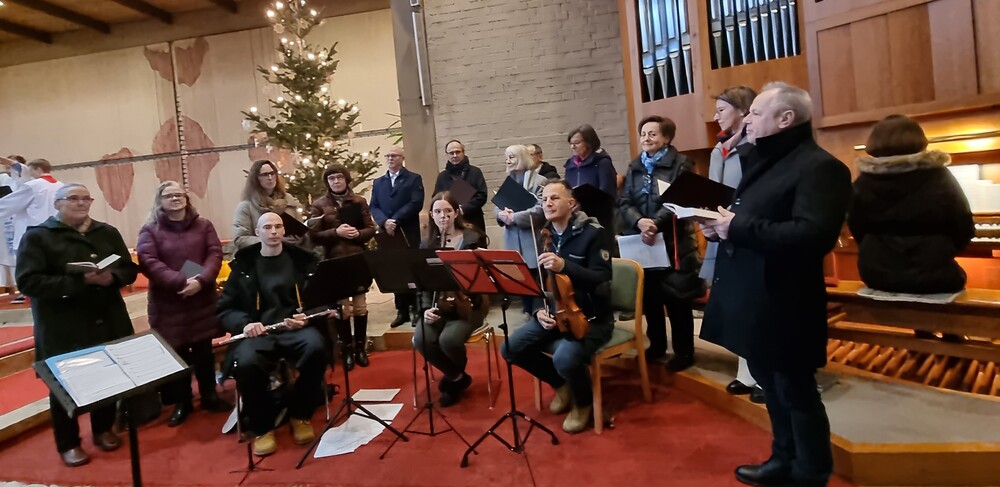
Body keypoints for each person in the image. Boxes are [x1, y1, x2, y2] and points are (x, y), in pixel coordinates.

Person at [698, 82, 852, 487]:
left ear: (786, 119)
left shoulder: (821, 168)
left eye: (755, 113)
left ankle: (810, 473)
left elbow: (812, 236)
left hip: (787, 301)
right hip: (754, 298)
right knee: (770, 387)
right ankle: (783, 458)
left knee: (796, 393)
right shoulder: (762, 160)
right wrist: (719, 229)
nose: (747, 120)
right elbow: (750, 221)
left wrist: (736, 227)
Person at [16, 183, 137, 467]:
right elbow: (29, 282)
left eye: (86, 199)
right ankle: (68, 442)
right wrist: (80, 281)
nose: (81, 203)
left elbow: (128, 269)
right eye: (73, 198)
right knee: (65, 385)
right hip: (63, 323)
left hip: (107, 317)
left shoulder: (107, 232)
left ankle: (103, 429)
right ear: (57, 203)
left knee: (108, 376)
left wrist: (113, 278)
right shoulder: (38, 237)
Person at [502, 180, 613, 434]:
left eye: (554, 198)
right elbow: (542, 284)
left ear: (571, 204)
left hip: (590, 319)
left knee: (564, 357)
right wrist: (539, 309)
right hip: (556, 315)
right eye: (544, 199)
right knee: (510, 348)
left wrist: (565, 266)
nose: (548, 203)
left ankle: (584, 403)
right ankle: (561, 384)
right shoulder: (545, 235)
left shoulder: (593, 233)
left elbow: (602, 278)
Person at [217, 212, 329, 457]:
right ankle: (262, 427)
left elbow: (320, 300)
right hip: (258, 333)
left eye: (278, 226)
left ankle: (300, 413)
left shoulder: (302, 261)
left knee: (317, 348)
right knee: (246, 363)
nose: (274, 231)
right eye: (267, 227)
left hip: (295, 330)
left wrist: (307, 316)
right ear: (258, 233)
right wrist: (245, 324)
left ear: (284, 231)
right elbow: (225, 308)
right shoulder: (244, 266)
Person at [137, 181, 229, 427]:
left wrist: (201, 280)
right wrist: (179, 282)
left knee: (203, 351)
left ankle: (209, 396)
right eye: (169, 195)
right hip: (169, 302)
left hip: (201, 298)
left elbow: (214, 253)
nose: (175, 198)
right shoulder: (150, 230)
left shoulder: (204, 225)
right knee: (176, 354)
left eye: (179, 194)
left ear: (187, 199)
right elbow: (148, 261)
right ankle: (183, 402)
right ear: (160, 200)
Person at [849, 114, 975, 295]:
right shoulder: (939, 177)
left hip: (877, 276)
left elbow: (857, 227)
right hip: (935, 276)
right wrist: (939, 250)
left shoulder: (862, 183)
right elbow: (963, 225)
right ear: (919, 141)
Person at [619, 115, 703, 373]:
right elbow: (624, 202)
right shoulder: (635, 166)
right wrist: (639, 222)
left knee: (677, 300)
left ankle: (684, 352)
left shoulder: (681, 164)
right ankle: (656, 346)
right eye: (643, 133)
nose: (646, 138)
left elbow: (680, 199)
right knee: (650, 299)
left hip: (672, 242)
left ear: (666, 138)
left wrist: (654, 223)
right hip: (642, 242)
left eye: (652, 134)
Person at [701, 86, 763, 399]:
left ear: (742, 110)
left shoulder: (757, 146)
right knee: (737, 306)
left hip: (751, 233)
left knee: (756, 307)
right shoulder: (721, 148)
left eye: (722, 110)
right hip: (724, 233)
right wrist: (704, 218)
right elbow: (715, 193)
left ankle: (763, 375)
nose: (716, 117)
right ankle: (746, 373)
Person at [416, 192, 489, 407]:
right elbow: (422, 285)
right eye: (438, 211)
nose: (443, 216)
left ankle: (453, 377)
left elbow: (482, 281)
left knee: (448, 340)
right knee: (421, 338)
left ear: (456, 213)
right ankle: (457, 377)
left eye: (448, 211)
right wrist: (425, 309)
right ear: (431, 215)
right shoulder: (426, 244)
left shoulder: (472, 239)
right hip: (438, 304)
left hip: (467, 305)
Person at [308, 165, 376, 370]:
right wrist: (336, 233)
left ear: (346, 179)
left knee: (360, 306)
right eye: (331, 179)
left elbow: (371, 228)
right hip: (335, 261)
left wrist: (359, 234)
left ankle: (360, 348)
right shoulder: (319, 205)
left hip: (357, 258)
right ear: (327, 182)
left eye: (339, 177)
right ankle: (347, 349)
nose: (336, 181)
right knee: (342, 309)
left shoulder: (359, 201)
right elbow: (313, 235)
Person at [369, 146, 425, 328]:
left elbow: (416, 202)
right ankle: (402, 310)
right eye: (388, 156)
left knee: (411, 268)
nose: (390, 158)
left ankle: (417, 309)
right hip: (388, 233)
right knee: (394, 269)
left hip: (408, 231)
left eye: (394, 155)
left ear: (402, 158)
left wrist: (396, 219)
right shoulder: (379, 182)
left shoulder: (413, 179)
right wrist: (384, 221)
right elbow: (373, 206)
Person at [0, 158, 65, 304]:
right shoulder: (61, 186)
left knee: (29, 264)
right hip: (54, 230)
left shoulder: (33, 186)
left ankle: (29, 293)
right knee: (51, 263)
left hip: (32, 232)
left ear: (37, 169)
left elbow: (10, 204)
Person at [495, 144, 546, 315]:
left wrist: (515, 217)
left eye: (511, 157)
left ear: (522, 158)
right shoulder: (508, 181)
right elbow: (497, 205)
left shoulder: (540, 181)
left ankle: (538, 312)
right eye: (506, 157)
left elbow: (540, 210)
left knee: (534, 277)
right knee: (520, 277)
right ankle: (527, 311)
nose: (507, 161)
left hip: (530, 237)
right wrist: (501, 215)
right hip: (512, 238)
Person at [232, 160, 303, 250]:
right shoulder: (246, 206)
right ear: (256, 178)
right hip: (260, 255)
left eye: (272, 173)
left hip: (289, 253)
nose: (270, 177)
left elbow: (301, 231)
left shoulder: (288, 200)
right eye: (265, 175)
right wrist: (270, 240)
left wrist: (299, 238)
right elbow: (240, 239)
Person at [433, 140, 489, 234]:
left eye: (458, 152)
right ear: (447, 155)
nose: (455, 155)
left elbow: (482, 196)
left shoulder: (475, 172)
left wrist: (463, 209)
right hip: (450, 223)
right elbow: (436, 198)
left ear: (463, 152)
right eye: (451, 153)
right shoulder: (442, 176)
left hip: (473, 220)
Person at [563, 125, 617, 197]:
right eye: (571, 143)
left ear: (589, 142)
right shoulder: (570, 166)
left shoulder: (602, 163)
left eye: (577, 143)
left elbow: (607, 193)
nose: (572, 147)